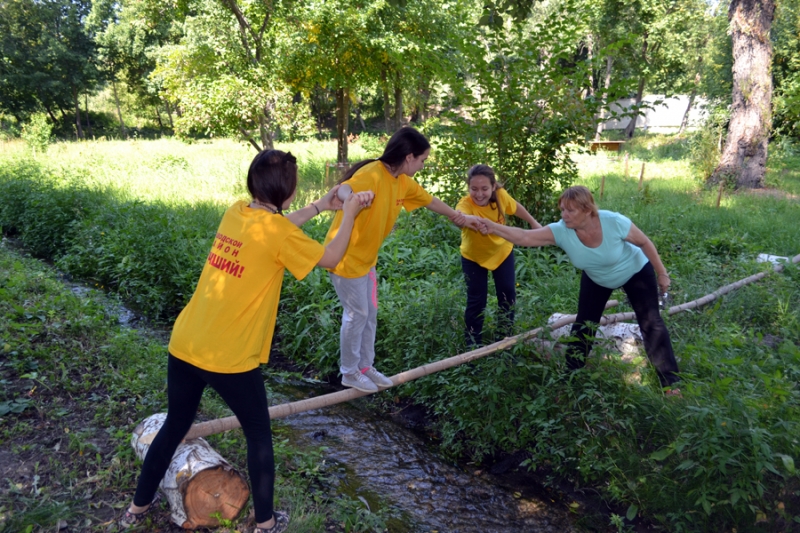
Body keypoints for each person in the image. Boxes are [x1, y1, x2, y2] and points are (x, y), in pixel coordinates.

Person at [119, 150, 374, 533]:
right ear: (287, 190)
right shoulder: (280, 234)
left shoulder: (237, 213)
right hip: (229, 355)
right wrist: (349, 212)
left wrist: (321, 206)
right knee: (257, 433)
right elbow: (333, 256)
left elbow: (276, 229)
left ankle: (136, 509)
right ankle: (266, 523)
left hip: (186, 342)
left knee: (175, 425)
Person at [473, 185, 680, 391]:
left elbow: (644, 242)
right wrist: (493, 227)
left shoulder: (613, 221)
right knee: (584, 325)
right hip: (596, 276)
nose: (564, 215)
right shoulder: (562, 230)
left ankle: (670, 385)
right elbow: (524, 237)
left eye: (570, 210)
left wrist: (662, 273)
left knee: (651, 322)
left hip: (634, 270)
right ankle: (571, 377)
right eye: (562, 209)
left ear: (587, 210)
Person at [324, 127, 473, 393]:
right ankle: (349, 372)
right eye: (423, 160)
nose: (423, 165)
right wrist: (354, 198)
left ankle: (365, 367)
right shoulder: (372, 174)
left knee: (369, 315)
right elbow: (344, 190)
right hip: (345, 258)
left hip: (367, 261)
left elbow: (431, 201)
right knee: (356, 314)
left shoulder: (402, 182)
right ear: (409, 157)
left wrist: (456, 216)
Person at [456, 164, 541, 347]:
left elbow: (515, 207)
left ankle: (504, 339)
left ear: (494, 186)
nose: (479, 194)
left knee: (507, 295)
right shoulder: (464, 204)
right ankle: (472, 345)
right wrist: (473, 222)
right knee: (476, 300)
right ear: (468, 188)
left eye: (484, 188)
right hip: (474, 257)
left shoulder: (501, 196)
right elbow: (459, 217)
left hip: (502, 252)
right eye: (474, 189)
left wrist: (534, 223)